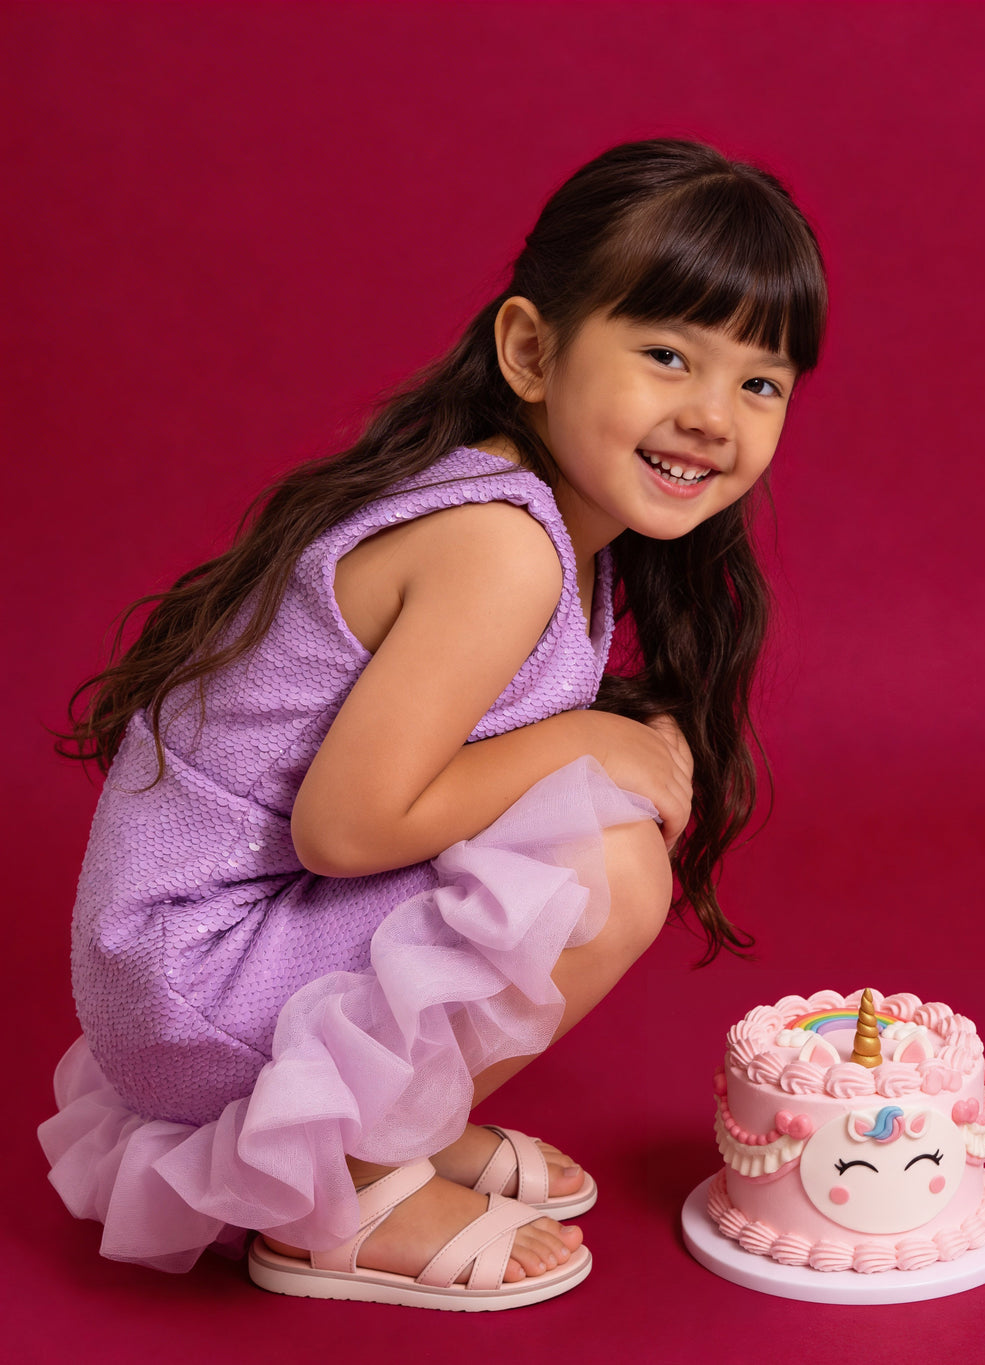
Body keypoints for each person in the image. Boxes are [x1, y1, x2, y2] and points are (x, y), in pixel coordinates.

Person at [39, 138, 827, 1310]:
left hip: (192, 971)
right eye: (667, 355)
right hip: (193, 980)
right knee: (604, 862)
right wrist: (585, 742)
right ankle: (342, 1188)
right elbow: (347, 831)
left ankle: (387, 1123)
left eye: (758, 382)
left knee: (580, 823)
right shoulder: (497, 544)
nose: (713, 416)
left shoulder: (548, 526)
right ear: (529, 349)